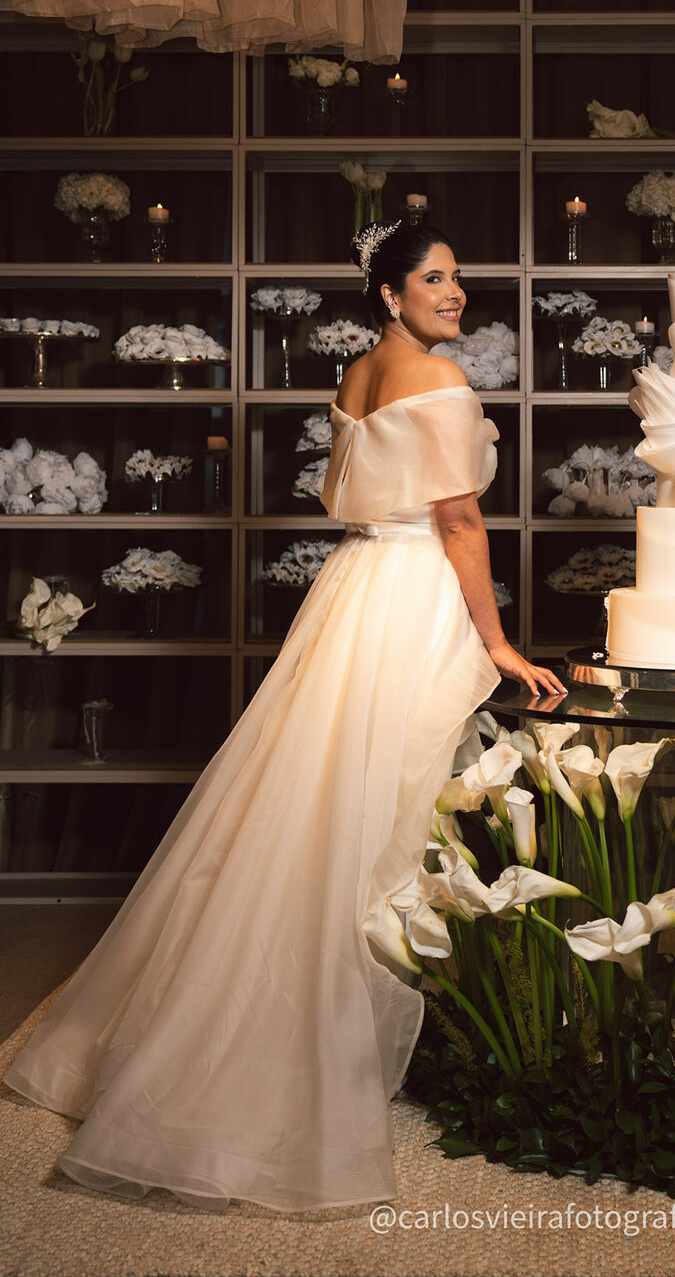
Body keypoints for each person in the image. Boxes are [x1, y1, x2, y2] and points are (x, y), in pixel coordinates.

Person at [3, 220, 564, 1213]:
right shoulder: (436, 382)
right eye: (435, 277)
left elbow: (335, 492)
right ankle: (313, 1037)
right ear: (388, 292)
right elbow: (460, 520)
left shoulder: (355, 376)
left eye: (458, 277)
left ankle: (363, 1011)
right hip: (409, 594)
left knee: (313, 798)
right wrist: (499, 643)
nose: (457, 291)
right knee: (377, 809)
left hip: (352, 586)